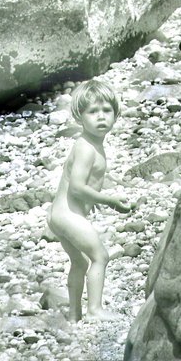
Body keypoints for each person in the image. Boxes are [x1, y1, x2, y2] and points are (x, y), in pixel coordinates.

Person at [47, 78, 134, 322]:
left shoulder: (91, 144)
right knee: (100, 257)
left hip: (59, 215)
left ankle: (74, 316)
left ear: (116, 115)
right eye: (93, 112)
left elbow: (83, 184)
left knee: (79, 262)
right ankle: (94, 310)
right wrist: (109, 200)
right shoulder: (86, 147)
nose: (101, 117)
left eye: (107, 111)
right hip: (68, 215)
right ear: (79, 117)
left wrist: (91, 201)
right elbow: (76, 187)